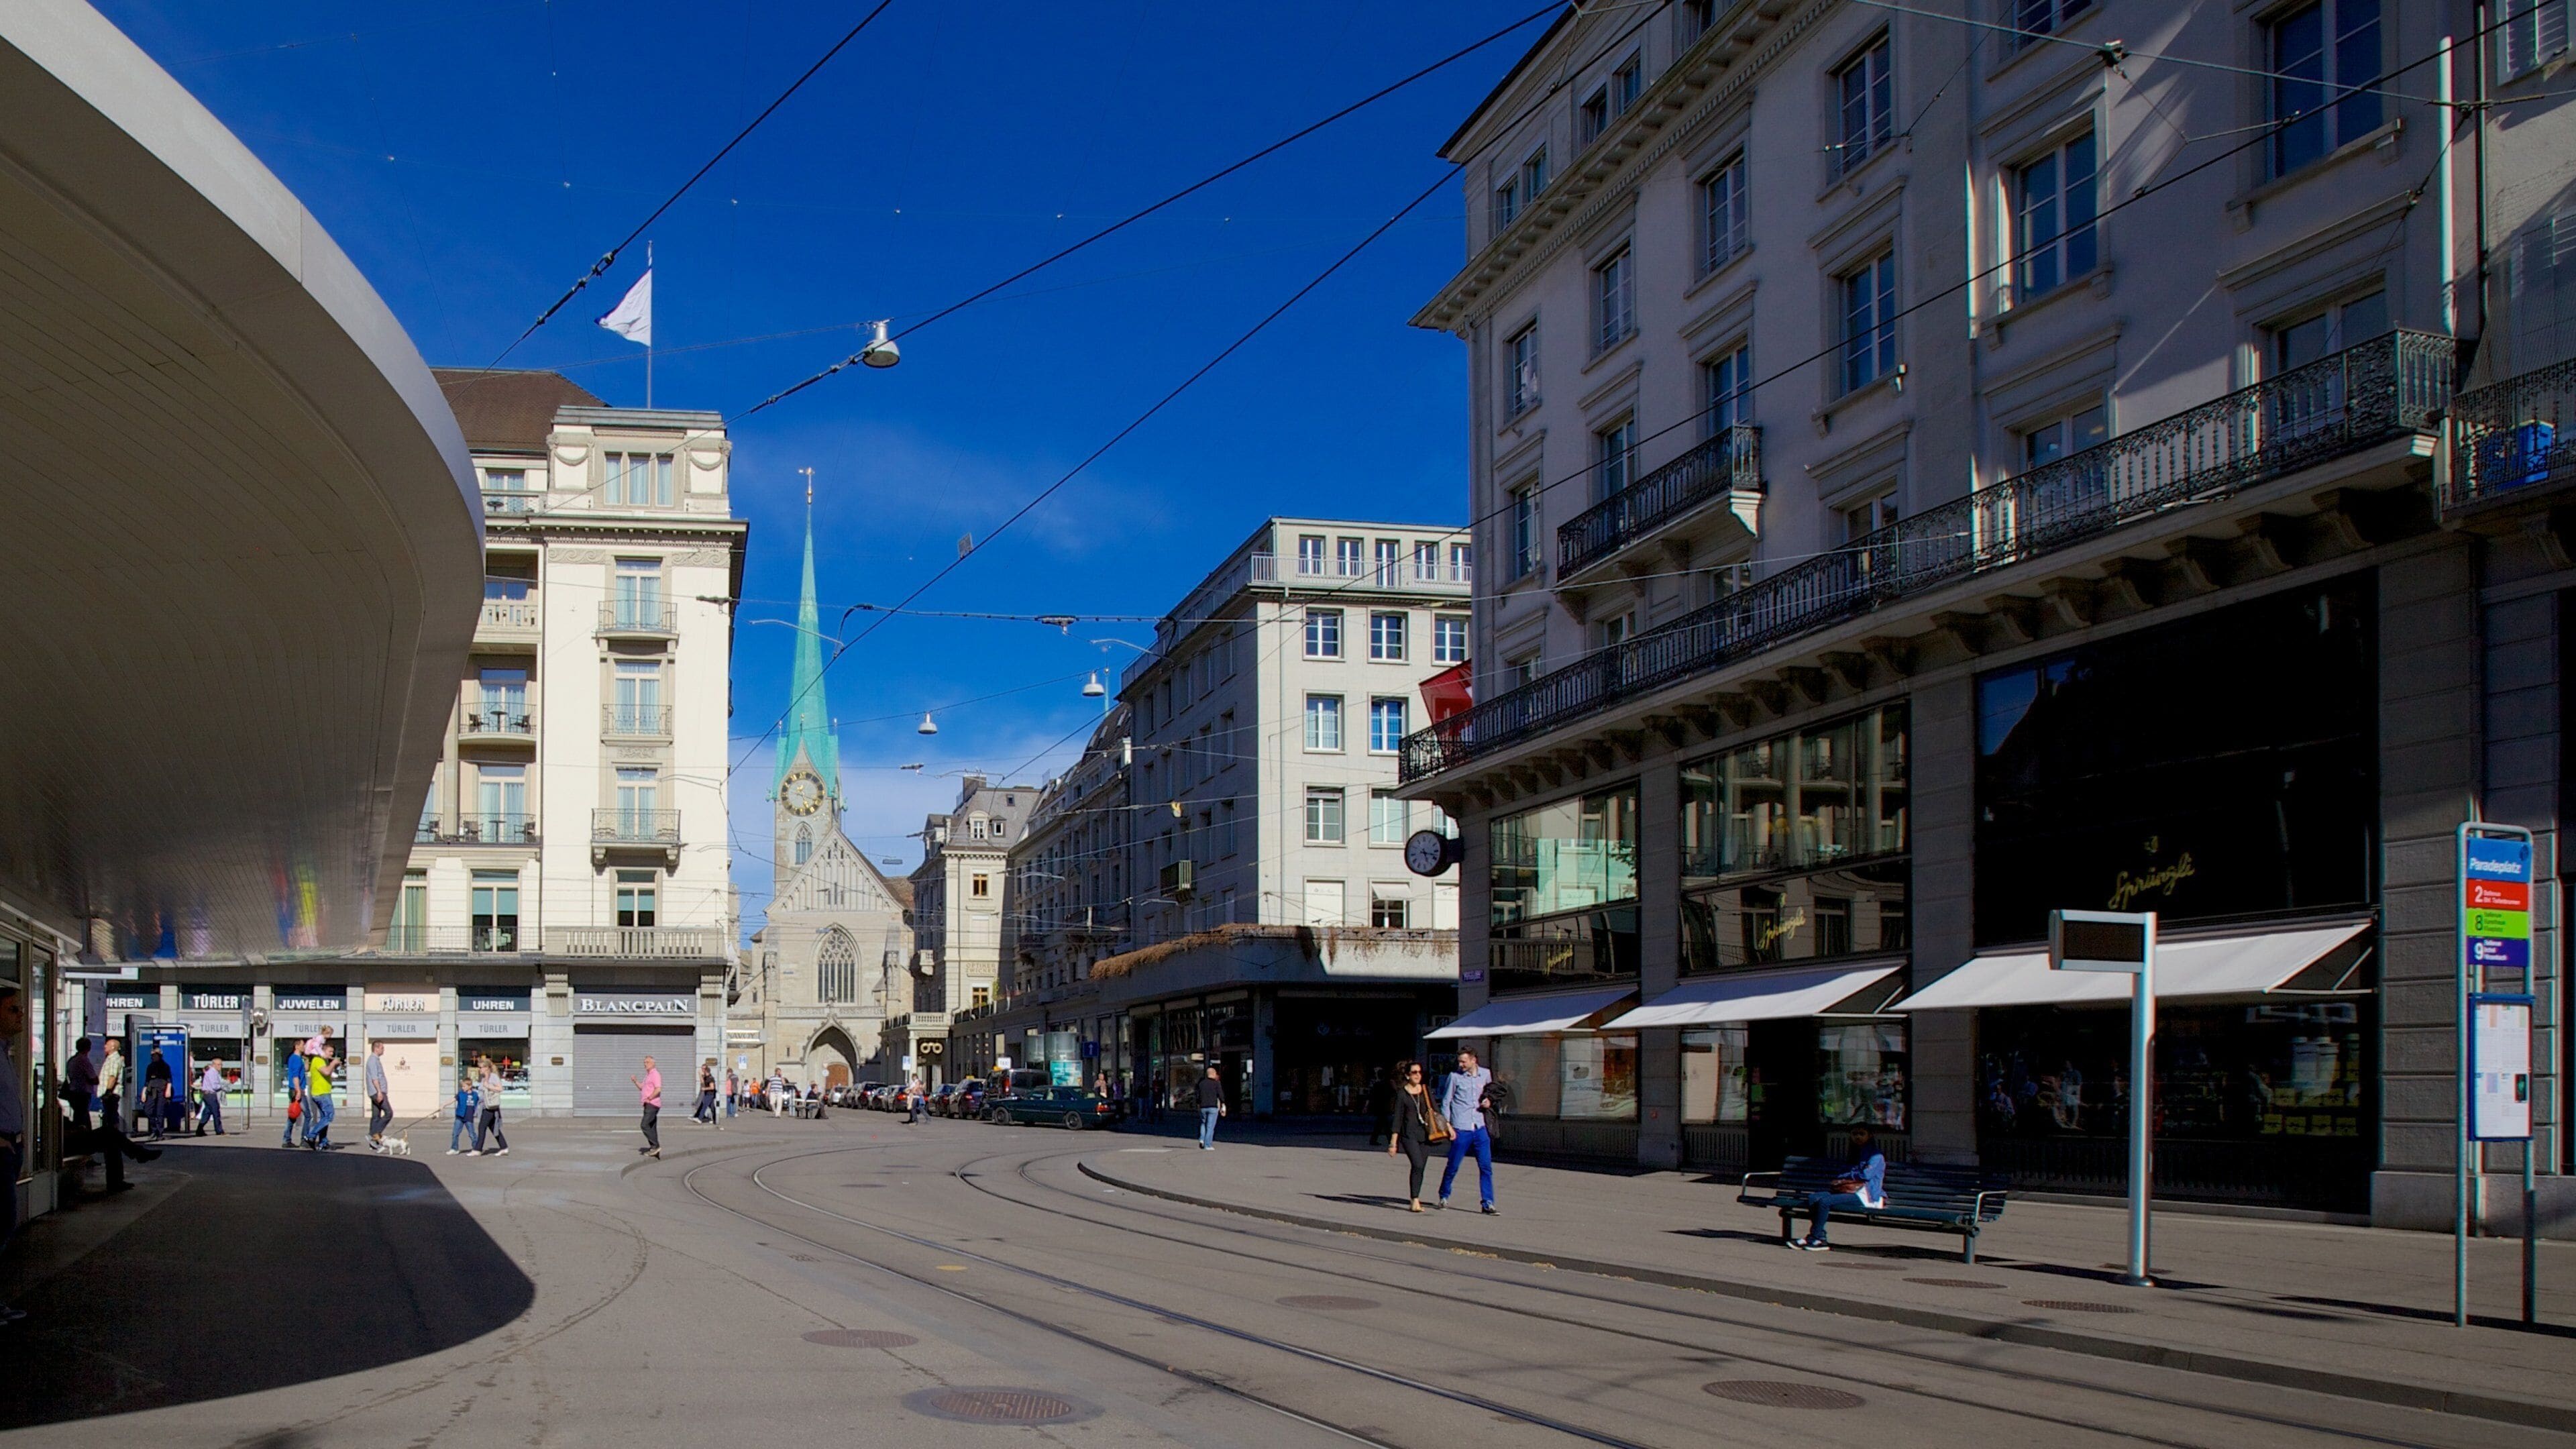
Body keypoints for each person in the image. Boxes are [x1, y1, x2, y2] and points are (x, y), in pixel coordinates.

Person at [1788, 1124, 1886, 1251]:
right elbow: (1842, 1174)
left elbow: (1865, 1175)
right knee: (1814, 1197)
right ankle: (1820, 1237)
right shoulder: (1854, 1153)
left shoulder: (1876, 1156)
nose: (1858, 1137)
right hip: (1849, 1190)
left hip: (1867, 1195)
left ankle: (1814, 1238)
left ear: (1870, 1136)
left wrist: (1850, 1174)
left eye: (1862, 1134)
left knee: (1825, 1202)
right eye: (1855, 1134)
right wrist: (1852, 1174)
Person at [1437, 1048, 1498, 1215]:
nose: (1461, 1064)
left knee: (1486, 1166)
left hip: (1480, 1127)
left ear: (1473, 1060)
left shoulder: (1485, 1074)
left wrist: (1489, 1101)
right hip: (1461, 1127)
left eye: (1464, 1061)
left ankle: (1488, 1202)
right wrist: (1448, 1125)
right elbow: (1446, 1101)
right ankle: (1444, 1194)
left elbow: (1490, 1094)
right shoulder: (1455, 1077)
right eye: (1459, 1061)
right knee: (1454, 1165)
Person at [0, 986, 26, 1323]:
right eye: (12, 1010)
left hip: (11, 1147)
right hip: (1, 1148)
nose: (20, 1015)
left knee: (4, 1223)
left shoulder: (5, 1052)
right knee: (2, 1221)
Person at [1384, 1059, 1438, 1212]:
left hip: (1426, 1135)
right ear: (1408, 1075)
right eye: (1414, 1073)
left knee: (1421, 1168)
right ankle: (1414, 1200)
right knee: (1418, 1164)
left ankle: (1416, 1197)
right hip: (1409, 1136)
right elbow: (1398, 1119)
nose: (1417, 1075)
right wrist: (1393, 1143)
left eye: (1420, 1072)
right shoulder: (1402, 1094)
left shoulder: (1426, 1091)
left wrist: (1449, 1127)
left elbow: (1436, 1111)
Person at [304, 1042, 337, 1150]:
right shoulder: (318, 1060)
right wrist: (333, 1064)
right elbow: (327, 1072)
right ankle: (311, 1135)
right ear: (323, 1051)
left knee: (324, 1118)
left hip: (324, 1091)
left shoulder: (324, 1061)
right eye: (330, 1051)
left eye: (333, 1052)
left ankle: (323, 1142)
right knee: (329, 1116)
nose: (332, 1054)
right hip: (321, 1093)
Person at [472, 1058, 509, 1155]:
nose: (479, 1069)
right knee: (493, 1127)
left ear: (487, 1068)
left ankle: (478, 1149)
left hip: (490, 1106)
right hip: (485, 1105)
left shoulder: (493, 1077)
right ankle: (504, 1147)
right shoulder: (485, 1077)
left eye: (480, 1067)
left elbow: (500, 1088)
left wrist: (488, 1086)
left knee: (482, 1127)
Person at [631, 1055, 662, 1159]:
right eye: (644, 1062)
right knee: (652, 1126)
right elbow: (642, 1088)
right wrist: (635, 1081)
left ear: (653, 1063)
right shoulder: (648, 1076)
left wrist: (650, 1098)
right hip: (648, 1104)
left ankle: (655, 1146)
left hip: (652, 1104)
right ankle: (654, 1148)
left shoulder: (655, 1074)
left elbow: (658, 1089)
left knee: (644, 1125)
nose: (645, 1064)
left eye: (647, 1062)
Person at [364, 1041, 392, 1150]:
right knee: (389, 1113)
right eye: (382, 1048)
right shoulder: (373, 1060)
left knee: (376, 1117)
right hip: (377, 1092)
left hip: (375, 1092)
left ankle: (373, 1143)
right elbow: (374, 1078)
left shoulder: (375, 1060)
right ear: (376, 1049)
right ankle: (373, 1135)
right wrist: (379, 1092)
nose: (383, 1050)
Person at [142, 1049, 173, 1140]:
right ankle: (154, 1129)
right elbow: (147, 1082)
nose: (154, 1057)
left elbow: (169, 1080)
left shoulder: (165, 1066)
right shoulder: (150, 1067)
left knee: (160, 1112)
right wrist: (144, 1093)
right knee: (148, 1110)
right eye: (152, 1056)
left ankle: (159, 1133)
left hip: (162, 1090)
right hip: (151, 1090)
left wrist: (168, 1090)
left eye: (155, 1055)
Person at [280, 1040, 306, 1148]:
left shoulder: (297, 1058)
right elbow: (295, 1076)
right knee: (307, 1115)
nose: (304, 1047)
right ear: (297, 1046)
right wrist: (298, 1090)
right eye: (302, 1045)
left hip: (295, 1089)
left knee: (293, 1116)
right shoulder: (295, 1059)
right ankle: (303, 1140)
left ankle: (287, 1139)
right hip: (296, 1089)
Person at [448, 1070, 480, 1155]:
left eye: (464, 1086)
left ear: (470, 1086)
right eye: (462, 1086)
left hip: (469, 1117)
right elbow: (453, 1099)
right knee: (455, 1133)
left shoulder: (475, 1095)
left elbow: (480, 1102)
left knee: (472, 1134)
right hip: (460, 1116)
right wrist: (443, 1105)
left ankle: (476, 1149)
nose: (463, 1088)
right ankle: (454, 1149)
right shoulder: (461, 1094)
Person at [1195, 1065, 1225, 1150]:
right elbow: (1221, 1095)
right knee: (1210, 1126)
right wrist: (1223, 1104)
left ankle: (1201, 1139)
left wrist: (1198, 1104)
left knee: (1203, 1123)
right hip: (1213, 1107)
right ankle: (1208, 1145)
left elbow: (1198, 1096)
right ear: (1214, 1074)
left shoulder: (1201, 1084)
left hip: (1203, 1107)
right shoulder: (1216, 1083)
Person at [195, 1059, 227, 1136]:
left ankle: (199, 1130)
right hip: (210, 1095)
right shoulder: (212, 1073)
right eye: (219, 1064)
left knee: (207, 1113)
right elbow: (215, 1086)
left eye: (221, 1064)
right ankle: (219, 1131)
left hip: (208, 1094)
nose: (221, 1066)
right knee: (216, 1113)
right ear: (214, 1065)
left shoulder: (214, 1072)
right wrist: (223, 1086)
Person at [1365, 1067, 1395, 1146]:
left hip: (1378, 1106)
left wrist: (1367, 1106)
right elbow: (1393, 1094)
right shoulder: (1387, 1084)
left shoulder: (1377, 1085)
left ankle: (1375, 1140)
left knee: (1381, 1124)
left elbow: (1371, 1096)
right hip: (1385, 1106)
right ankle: (1390, 1140)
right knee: (1384, 1125)